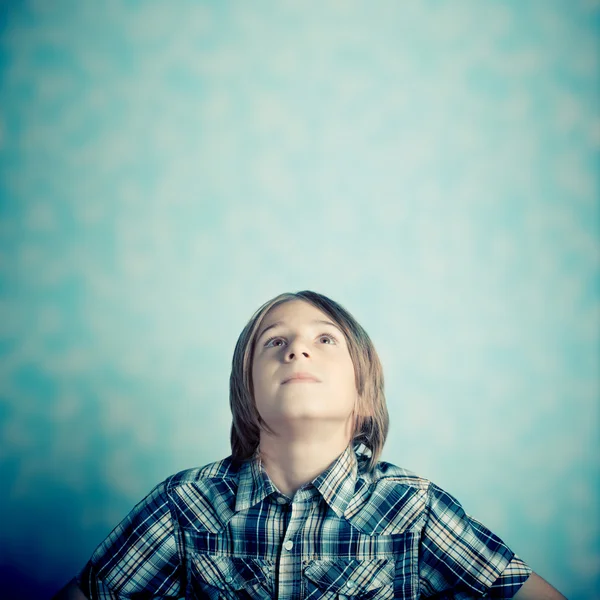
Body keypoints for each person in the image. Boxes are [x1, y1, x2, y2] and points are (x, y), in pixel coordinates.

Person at [54, 290, 567, 599]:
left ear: (363, 396)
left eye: (325, 340)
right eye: (274, 341)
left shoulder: (414, 510)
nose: (297, 348)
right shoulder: (183, 506)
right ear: (246, 393)